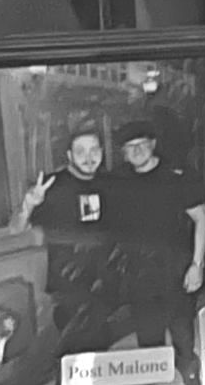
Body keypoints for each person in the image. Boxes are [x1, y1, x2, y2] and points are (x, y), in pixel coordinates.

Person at [107, 115, 205, 381]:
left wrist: (197, 265)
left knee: (182, 334)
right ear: (123, 154)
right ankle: (147, 384)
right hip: (138, 270)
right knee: (147, 335)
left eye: (141, 144)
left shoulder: (176, 176)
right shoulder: (118, 181)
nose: (137, 151)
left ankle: (190, 380)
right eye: (130, 147)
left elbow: (202, 218)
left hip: (175, 267)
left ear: (153, 144)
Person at [17, 125, 127, 359]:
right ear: (69, 155)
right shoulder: (52, 186)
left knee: (99, 351)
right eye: (80, 151)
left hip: (104, 286)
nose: (89, 158)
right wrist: (29, 204)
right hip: (69, 287)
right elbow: (15, 228)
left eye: (94, 150)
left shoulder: (111, 183)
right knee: (72, 355)